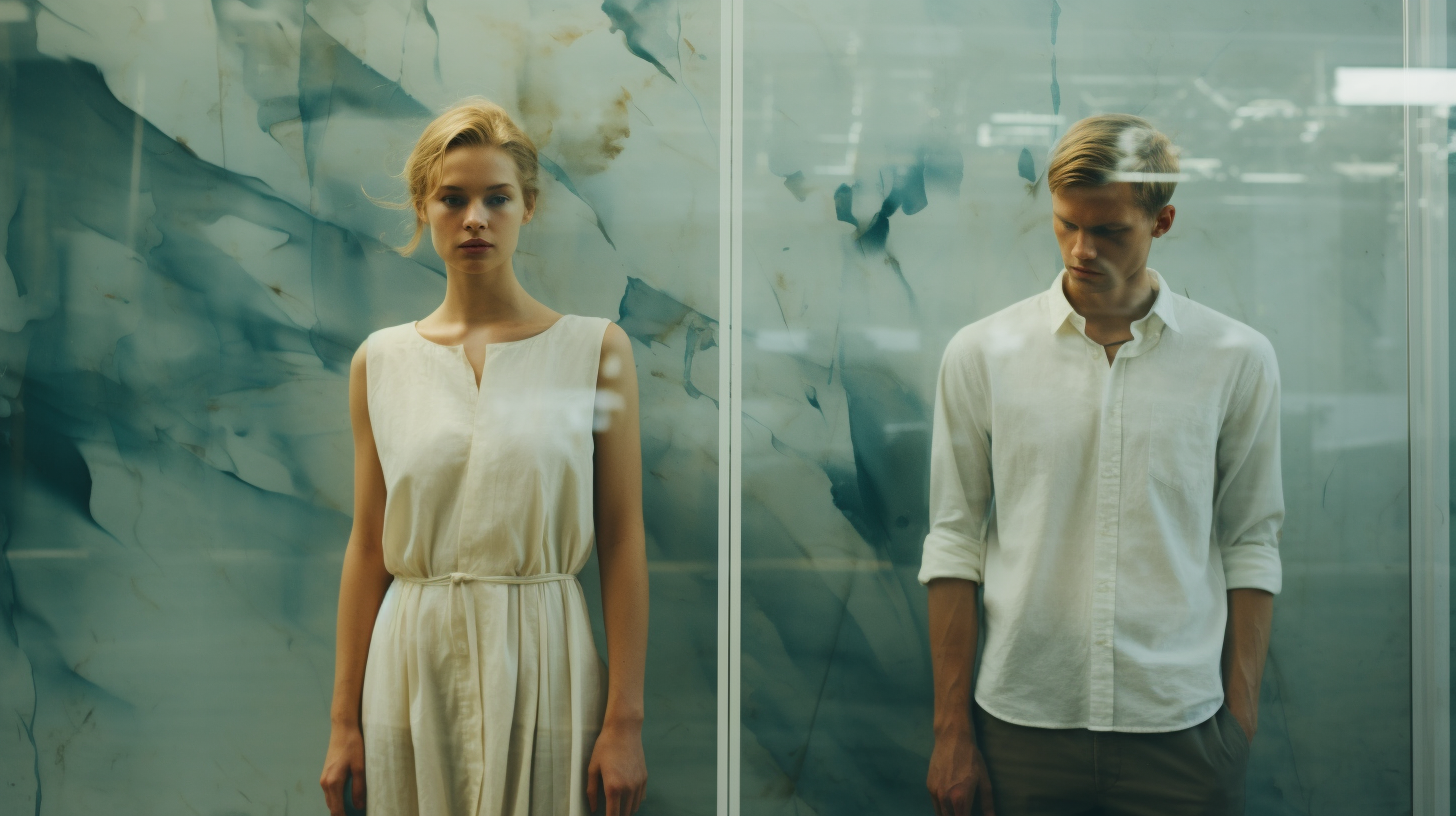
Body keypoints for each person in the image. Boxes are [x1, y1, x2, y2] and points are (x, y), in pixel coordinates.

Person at [922, 114, 1283, 816]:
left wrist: (1237, 725)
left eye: (1110, 230)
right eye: (1066, 225)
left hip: (1183, 732)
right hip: (1019, 726)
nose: (1081, 250)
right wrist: (950, 733)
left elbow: (1251, 542)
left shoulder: (1236, 359)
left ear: (1163, 221)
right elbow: (954, 543)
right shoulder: (981, 353)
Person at [319, 98, 650, 816]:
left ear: (528, 207)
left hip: (548, 653)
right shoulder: (380, 361)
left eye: (497, 198)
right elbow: (368, 547)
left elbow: (623, 539)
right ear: (421, 207)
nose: (475, 218)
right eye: (453, 197)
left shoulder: (596, 351)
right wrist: (343, 724)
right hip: (411, 658)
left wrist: (625, 722)